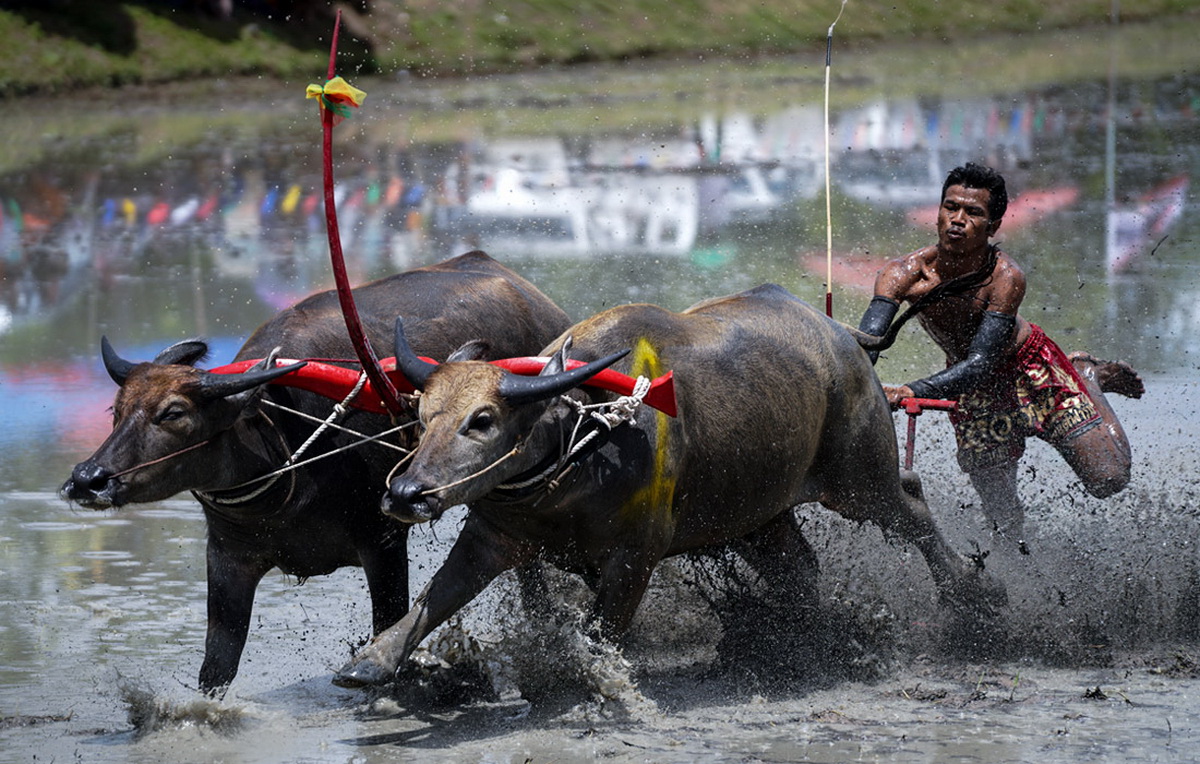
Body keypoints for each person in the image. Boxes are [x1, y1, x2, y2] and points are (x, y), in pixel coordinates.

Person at [857, 162, 1144, 552]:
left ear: (992, 227)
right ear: (938, 212)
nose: (957, 220)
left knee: (1109, 480)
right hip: (972, 389)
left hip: (1031, 369)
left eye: (973, 213)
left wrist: (910, 389)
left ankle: (1085, 375)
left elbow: (982, 362)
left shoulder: (1005, 276)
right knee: (1002, 515)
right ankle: (1017, 581)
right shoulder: (903, 274)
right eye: (950, 207)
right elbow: (868, 345)